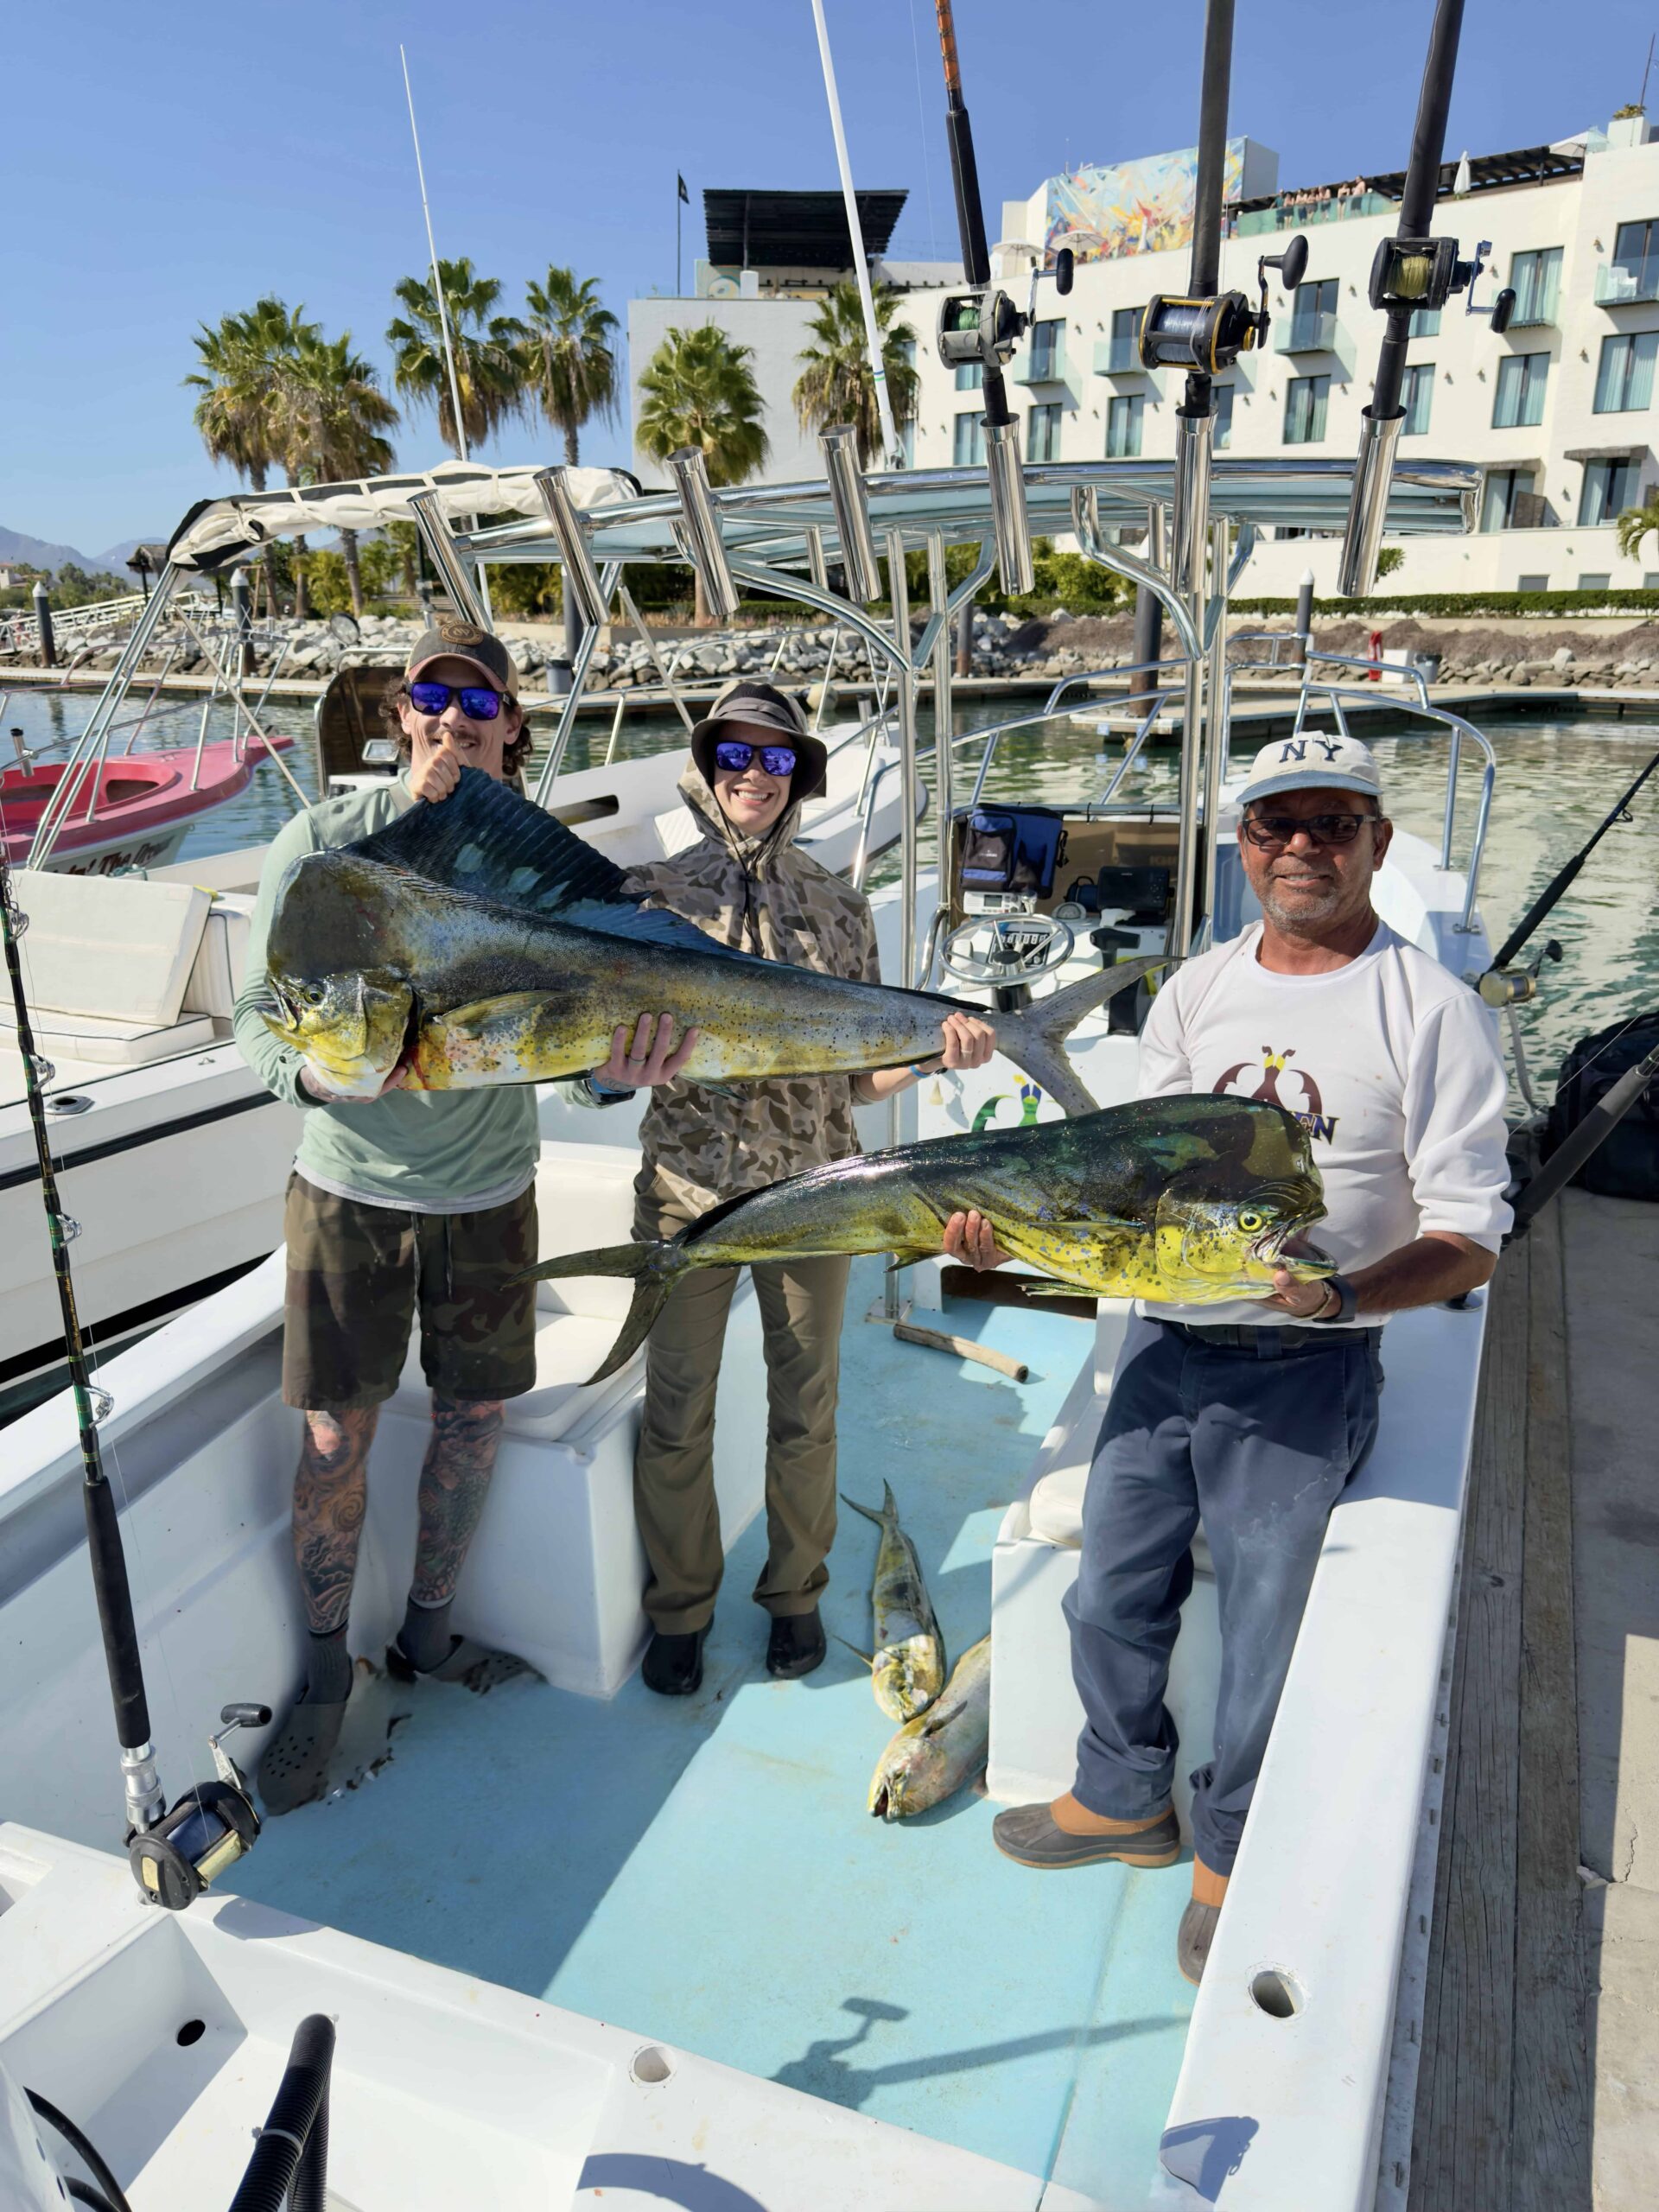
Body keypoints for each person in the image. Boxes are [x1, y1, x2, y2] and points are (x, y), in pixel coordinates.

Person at [986, 731, 1512, 1983]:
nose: (1303, 849)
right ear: (1243, 846)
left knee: (1269, 1633)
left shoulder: (1430, 1013)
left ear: (1377, 843)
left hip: (1307, 1368)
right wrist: (1004, 1236)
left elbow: (1471, 1236)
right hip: (1167, 1343)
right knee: (1109, 1587)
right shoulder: (1198, 989)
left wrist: (1343, 1303)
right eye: (1278, 826)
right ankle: (1120, 1795)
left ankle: (1228, 1856)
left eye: (1334, 824)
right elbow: (1130, 1179)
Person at [234, 619, 691, 1812]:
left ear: (511, 728)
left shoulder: (538, 870)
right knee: (337, 1439)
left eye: (480, 702)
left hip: (491, 1192)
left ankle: (429, 1635)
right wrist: (321, 1075)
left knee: (475, 1419)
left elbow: (573, 1050)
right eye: (433, 694)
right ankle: (330, 1674)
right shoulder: (324, 847)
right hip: (350, 1195)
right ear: (399, 713)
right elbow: (253, 1022)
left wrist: (616, 1074)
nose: (454, 716)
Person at [619, 679, 995, 1695]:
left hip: (818, 1191)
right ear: (706, 765)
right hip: (687, 1191)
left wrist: (931, 1060)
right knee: (676, 1407)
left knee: (808, 1403)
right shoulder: (650, 896)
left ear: (802, 778)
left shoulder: (839, 905)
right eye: (735, 755)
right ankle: (680, 1607)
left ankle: (794, 1594)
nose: (753, 774)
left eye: (776, 758)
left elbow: (854, 1081)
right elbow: (602, 1062)